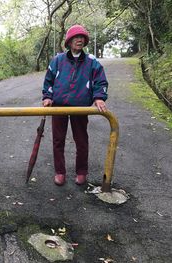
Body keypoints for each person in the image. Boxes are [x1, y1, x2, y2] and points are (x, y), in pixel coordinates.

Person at [42, 24, 108, 186]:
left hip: (80, 107)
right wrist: (47, 97)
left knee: (81, 140)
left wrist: (99, 98)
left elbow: (100, 82)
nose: (79, 40)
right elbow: (48, 80)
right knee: (58, 140)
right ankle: (60, 172)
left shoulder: (92, 62)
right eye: (76, 38)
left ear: (85, 41)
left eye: (82, 38)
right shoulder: (58, 60)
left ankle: (81, 172)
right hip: (59, 106)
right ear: (69, 41)